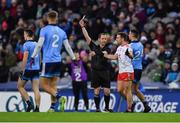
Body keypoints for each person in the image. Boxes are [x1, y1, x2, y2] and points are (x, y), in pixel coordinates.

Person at [31, 10, 75, 112]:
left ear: (47, 18)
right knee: (53, 85)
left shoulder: (44, 30)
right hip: (58, 61)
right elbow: (67, 47)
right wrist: (73, 57)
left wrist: (33, 56)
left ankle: (60, 97)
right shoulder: (62, 31)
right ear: (56, 18)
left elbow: (39, 45)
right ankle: (52, 107)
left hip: (48, 61)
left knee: (43, 85)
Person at [79, 16, 113, 112]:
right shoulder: (93, 46)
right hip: (95, 72)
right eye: (102, 38)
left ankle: (106, 107)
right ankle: (98, 108)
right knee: (96, 91)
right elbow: (87, 37)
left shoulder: (108, 48)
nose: (104, 40)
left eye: (105, 39)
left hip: (105, 71)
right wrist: (82, 27)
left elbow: (105, 54)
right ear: (99, 39)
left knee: (107, 91)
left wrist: (95, 53)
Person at [104, 32, 134, 112]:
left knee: (128, 90)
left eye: (118, 38)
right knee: (119, 90)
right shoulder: (119, 48)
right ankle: (130, 102)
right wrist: (106, 56)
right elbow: (115, 57)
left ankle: (129, 109)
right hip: (121, 72)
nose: (116, 39)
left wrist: (128, 55)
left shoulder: (128, 46)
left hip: (128, 71)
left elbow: (131, 55)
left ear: (122, 39)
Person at [17, 29, 41, 112]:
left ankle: (29, 103)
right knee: (36, 89)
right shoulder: (37, 44)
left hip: (28, 69)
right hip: (36, 69)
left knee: (20, 86)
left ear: (27, 35)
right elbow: (40, 57)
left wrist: (22, 70)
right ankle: (37, 108)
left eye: (24, 34)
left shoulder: (26, 45)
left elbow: (25, 58)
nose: (24, 36)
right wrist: (39, 67)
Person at [129, 30, 151, 112]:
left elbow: (130, 56)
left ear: (132, 35)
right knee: (136, 89)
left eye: (129, 33)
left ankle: (130, 106)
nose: (128, 35)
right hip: (139, 68)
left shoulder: (130, 45)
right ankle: (146, 105)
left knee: (129, 89)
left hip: (133, 69)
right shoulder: (141, 45)